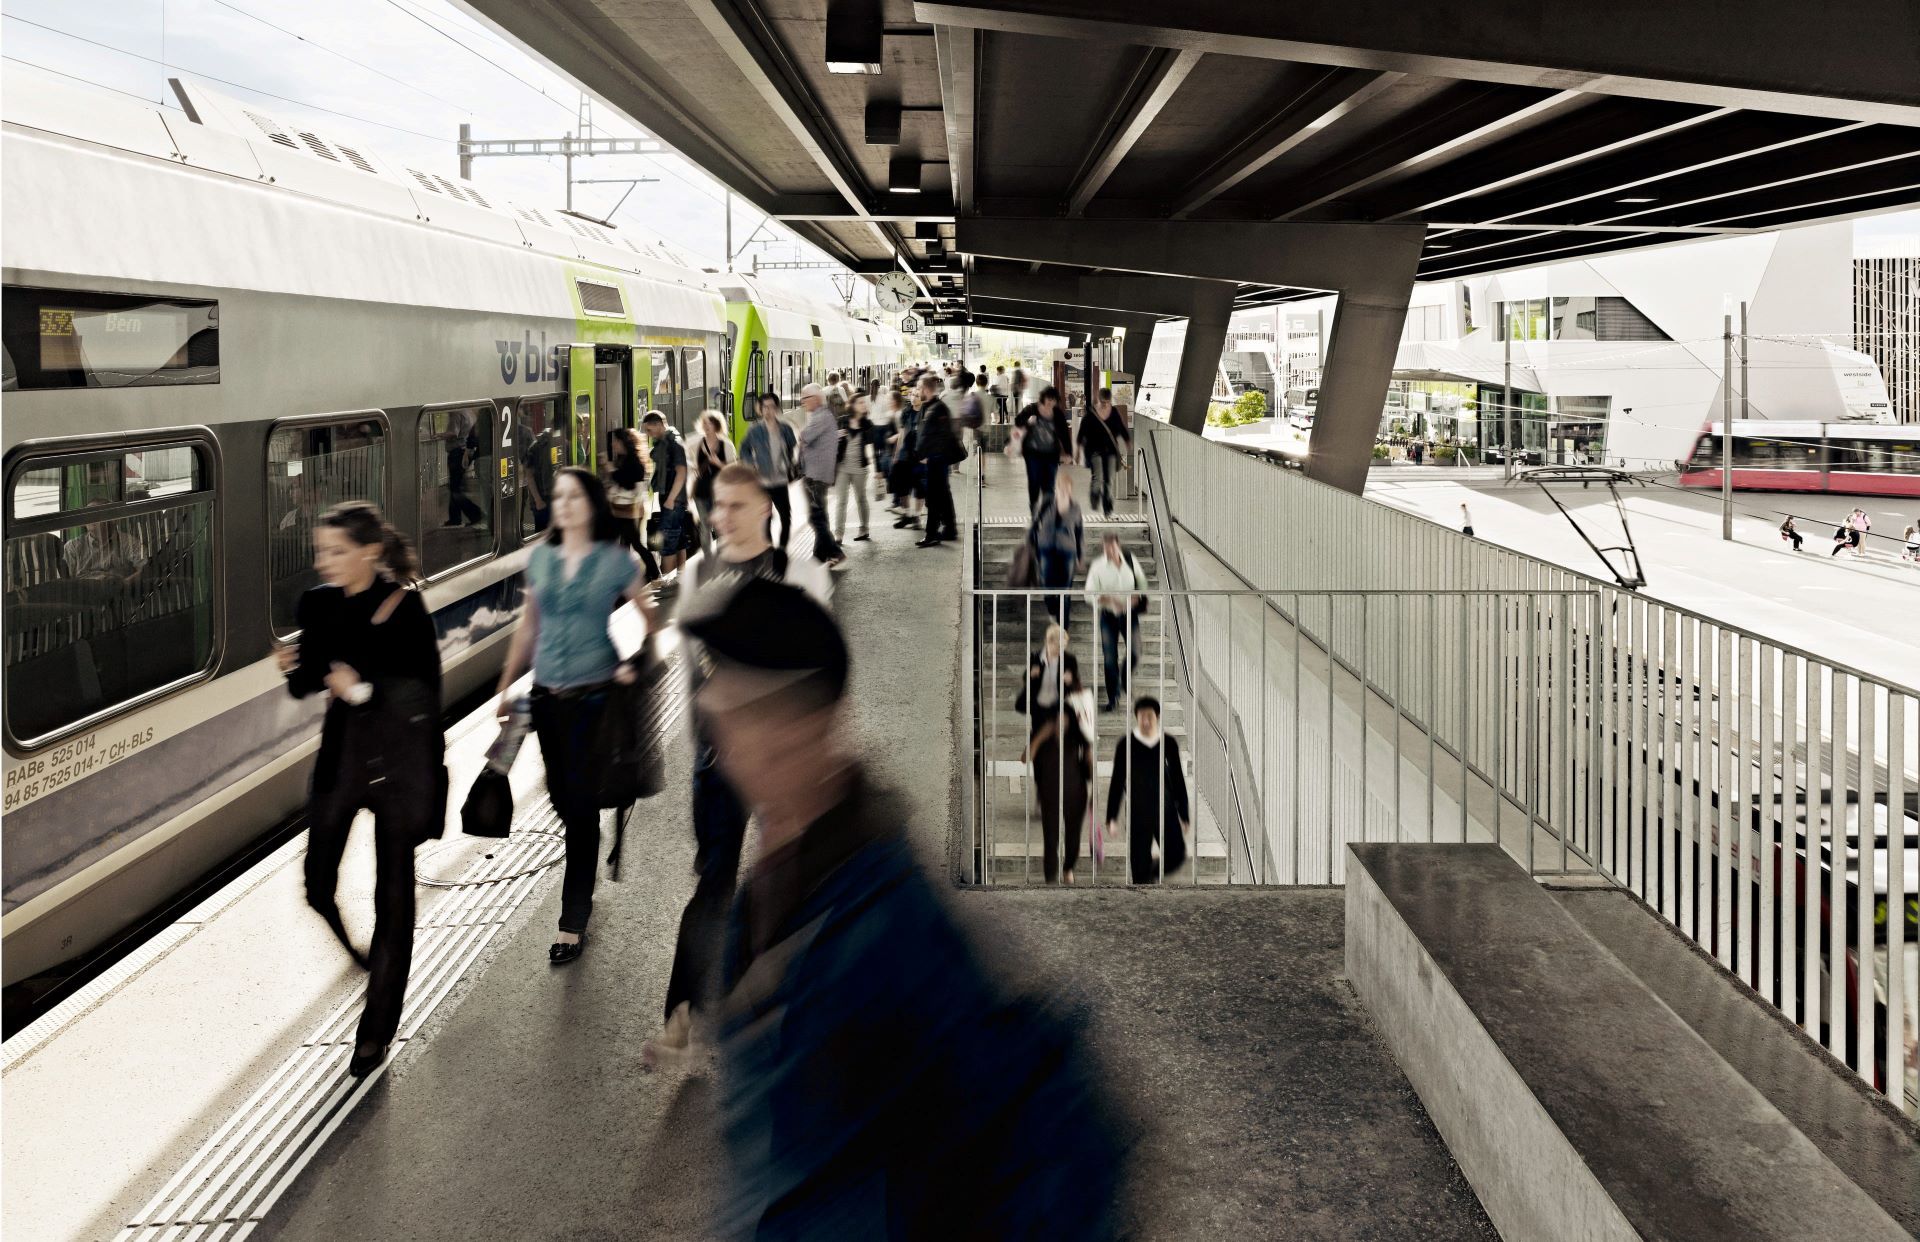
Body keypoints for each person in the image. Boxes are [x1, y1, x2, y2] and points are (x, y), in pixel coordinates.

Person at [680, 578, 1127, 1237]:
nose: (722, 748)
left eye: (733, 719)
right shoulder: (774, 887)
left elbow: (1019, 1152)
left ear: (800, 728)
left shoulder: (892, 931)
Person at [645, 463, 831, 1068]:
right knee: (715, 881)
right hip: (717, 760)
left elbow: (819, 669)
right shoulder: (698, 572)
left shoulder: (801, 576)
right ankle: (685, 1019)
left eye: (735, 505)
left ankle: (782, 1010)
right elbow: (690, 673)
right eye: (716, 505)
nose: (721, 515)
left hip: (784, 759)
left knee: (786, 879)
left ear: (765, 510)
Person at [280, 502, 443, 1078]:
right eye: (321, 551)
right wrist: (290, 668)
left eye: (337, 551)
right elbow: (306, 682)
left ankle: (375, 1034)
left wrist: (361, 691)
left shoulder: (406, 608)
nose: (324, 562)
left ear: (371, 551)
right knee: (316, 883)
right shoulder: (317, 605)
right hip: (341, 762)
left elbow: (425, 696)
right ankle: (358, 952)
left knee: (393, 902)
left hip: (394, 766)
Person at [493, 467, 654, 965]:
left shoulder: (615, 561)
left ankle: (572, 920)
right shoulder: (540, 557)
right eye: (557, 496)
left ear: (591, 505)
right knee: (564, 802)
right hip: (547, 700)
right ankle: (587, 849)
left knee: (579, 812)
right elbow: (529, 626)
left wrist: (635, 667)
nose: (562, 504)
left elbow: (652, 620)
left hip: (594, 700)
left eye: (572, 497)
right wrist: (504, 688)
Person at [1020, 623, 1093, 885]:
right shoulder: (1035, 658)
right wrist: (1033, 675)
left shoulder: (1069, 660)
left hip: (1062, 711)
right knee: (1042, 769)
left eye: (1062, 645)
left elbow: (1078, 688)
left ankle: (1067, 869)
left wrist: (1070, 681)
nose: (1059, 648)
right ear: (1048, 641)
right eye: (1055, 644)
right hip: (1041, 717)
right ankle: (1042, 792)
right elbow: (1026, 684)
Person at [1104, 696, 1190, 884]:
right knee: (1139, 863)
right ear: (1136, 717)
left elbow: (1177, 779)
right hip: (1138, 810)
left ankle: (1151, 874)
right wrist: (1111, 817)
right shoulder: (1126, 744)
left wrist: (1184, 813)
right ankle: (1144, 889)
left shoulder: (1168, 743)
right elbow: (1117, 781)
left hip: (1164, 808)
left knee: (1176, 854)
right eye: (1141, 716)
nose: (1145, 721)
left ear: (1157, 716)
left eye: (1149, 716)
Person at [1084, 531, 1148, 711]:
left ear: (1118, 545)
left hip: (1129, 614)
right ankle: (1113, 698)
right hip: (1108, 617)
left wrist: (1138, 595)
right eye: (1106, 548)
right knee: (1110, 659)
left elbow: (1142, 582)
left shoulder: (1129, 559)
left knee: (1136, 652)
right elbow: (1088, 594)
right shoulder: (1097, 566)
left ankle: (1125, 680)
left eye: (1112, 547)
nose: (1109, 551)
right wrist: (1107, 599)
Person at [740, 391, 799, 549]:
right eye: (765, 407)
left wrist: (789, 463)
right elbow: (743, 450)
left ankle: (782, 550)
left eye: (771, 407)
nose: (768, 410)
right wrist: (752, 463)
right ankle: (769, 553)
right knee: (765, 519)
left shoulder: (785, 429)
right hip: (762, 482)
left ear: (777, 408)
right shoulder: (754, 430)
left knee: (786, 518)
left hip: (780, 481)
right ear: (760, 409)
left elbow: (793, 447)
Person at [797, 383, 847, 566]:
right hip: (816, 473)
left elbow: (805, 437)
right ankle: (820, 554)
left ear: (815, 399)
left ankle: (834, 551)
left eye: (805, 398)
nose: (803, 402)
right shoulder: (822, 415)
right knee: (820, 515)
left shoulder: (821, 417)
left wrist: (801, 436)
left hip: (816, 474)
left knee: (816, 516)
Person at [603, 427, 662, 582]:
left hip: (630, 511)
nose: (613, 444)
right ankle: (626, 576)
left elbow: (628, 483)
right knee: (625, 544)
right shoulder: (624, 458)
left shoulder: (633, 461)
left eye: (615, 441)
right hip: (626, 510)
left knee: (634, 544)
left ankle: (654, 573)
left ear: (623, 442)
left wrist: (611, 471)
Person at [915, 371, 962, 547]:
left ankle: (932, 534)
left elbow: (943, 436)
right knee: (942, 495)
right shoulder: (929, 407)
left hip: (936, 460)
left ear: (926, 389)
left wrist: (929, 456)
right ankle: (950, 529)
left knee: (934, 498)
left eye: (919, 388)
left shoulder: (938, 408)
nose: (917, 391)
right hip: (933, 459)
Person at [1031, 472, 1085, 626]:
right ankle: (1052, 609)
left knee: (1065, 592)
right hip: (1046, 550)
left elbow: (1080, 532)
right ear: (1057, 488)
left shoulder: (1075, 508)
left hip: (1068, 552)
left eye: (1067, 489)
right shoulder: (1047, 502)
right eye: (1061, 488)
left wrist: (1080, 555)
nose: (1064, 491)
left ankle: (1063, 630)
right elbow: (1034, 524)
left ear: (1071, 490)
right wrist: (1034, 544)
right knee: (1047, 585)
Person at [643, 411, 692, 577]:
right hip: (672, 498)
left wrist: (671, 499)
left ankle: (667, 582)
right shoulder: (663, 444)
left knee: (667, 541)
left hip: (674, 499)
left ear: (658, 425)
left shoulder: (674, 444)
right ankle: (681, 575)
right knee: (678, 539)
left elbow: (681, 472)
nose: (648, 435)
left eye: (649, 430)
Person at [1014, 385, 1073, 514]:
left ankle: (1047, 512)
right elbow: (1018, 421)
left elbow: (1064, 434)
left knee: (1049, 485)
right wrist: (1028, 421)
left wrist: (1069, 453)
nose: (1050, 403)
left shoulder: (1057, 414)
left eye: (1053, 400)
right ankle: (1034, 507)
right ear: (1043, 398)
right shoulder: (1032, 409)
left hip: (1051, 455)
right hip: (1033, 454)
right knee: (1034, 481)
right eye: (1048, 399)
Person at [1077, 387, 1131, 518]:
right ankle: (1094, 496)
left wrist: (1128, 442)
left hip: (1111, 452)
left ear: (1110, 401)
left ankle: (1108, 511)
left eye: (1107, 402)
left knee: (1109, 481)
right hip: (1095, 451)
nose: (1105, 405)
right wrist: (1077, 452)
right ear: (1099, 400)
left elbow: (1122, 429)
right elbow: (1081, 433)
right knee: (1099, 478)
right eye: (1103, 402)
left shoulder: (1114, 413)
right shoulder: (1091, 414)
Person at [691, 409, 736, 557]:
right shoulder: (697, 444)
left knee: (719, 526)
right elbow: (689, 461)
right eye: (704, 423)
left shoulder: (727, 445)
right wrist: (694, 467)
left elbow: (732, 470)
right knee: (704, 526)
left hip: (720, 492)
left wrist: (718, 463)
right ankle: (708, 559)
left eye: (709, 423)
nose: (705, 425)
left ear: (716, 425)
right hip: (701, 492)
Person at [833, 390, 876, 543]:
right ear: (852, 405)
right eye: (860, 402)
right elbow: (830, 440)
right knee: (841, 501)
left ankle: (864, 529)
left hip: (860, 469)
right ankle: (838, 534)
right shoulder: (842, 421)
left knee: (861, 499)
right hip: (842, 467)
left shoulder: (868, 424)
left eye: (864, 402)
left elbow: (874, 448)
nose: (863, 404)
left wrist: (877, 471)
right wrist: (836, 435)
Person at [444, 409, 486, 528]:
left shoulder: (456, 414)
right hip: (463, 452)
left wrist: (438, 435)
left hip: (456, 453)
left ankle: (476, 514)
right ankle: (454, 518)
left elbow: (453, 433)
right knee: (456, 487)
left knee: (455, 488)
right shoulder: (469, 413)